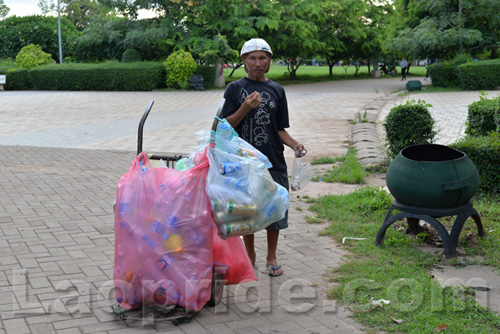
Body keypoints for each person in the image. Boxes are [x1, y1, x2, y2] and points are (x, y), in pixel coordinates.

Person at [220, 38, 306, 277]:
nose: (257, 63)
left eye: (262, 58)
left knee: (276, 209)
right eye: (252, 58)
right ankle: (250, 255)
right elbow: (223, 127)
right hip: (243, 162)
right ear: (244, 61)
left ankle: (272, 255)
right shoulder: (235, 89)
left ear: (269, 61)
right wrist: (245, 108)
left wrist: (295, 144)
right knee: (248, 211)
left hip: (273, 160)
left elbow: (280, 129)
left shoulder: (277, 90)